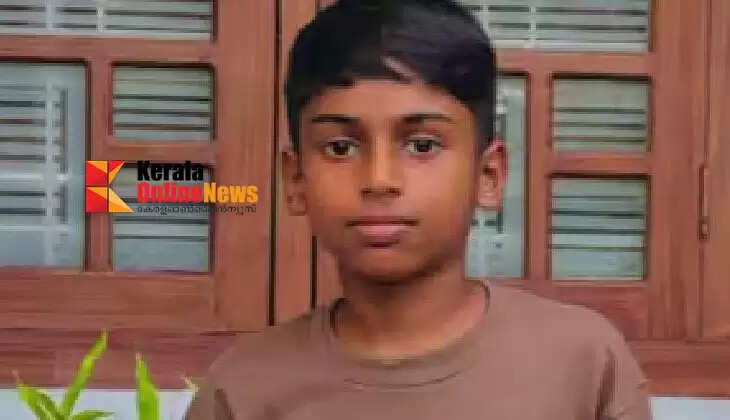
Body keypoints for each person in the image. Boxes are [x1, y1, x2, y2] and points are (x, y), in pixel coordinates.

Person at [185, 1, 651, 419]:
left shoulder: (583, 364)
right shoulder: (244, 391)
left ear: (488, 175)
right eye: (341, 147)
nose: (379, 180)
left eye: (422, 145)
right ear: (296, 179)